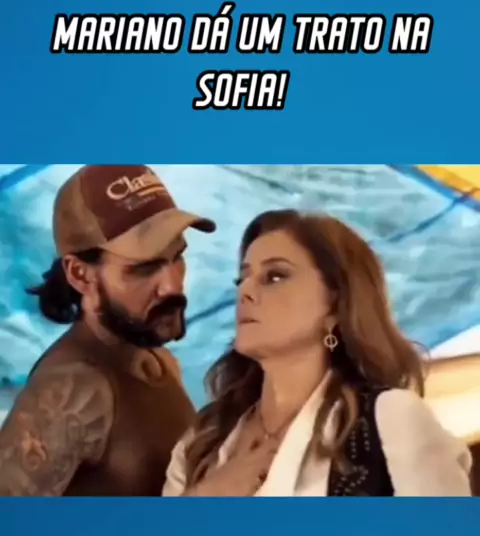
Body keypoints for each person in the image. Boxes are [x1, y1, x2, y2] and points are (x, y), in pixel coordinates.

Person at [163, 209, 472, 498]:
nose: (244, 291)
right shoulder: (201, 441)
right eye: (242, 278)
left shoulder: (389, 418)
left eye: (275, 276)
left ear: (335, 305)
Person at [0, 164, 216, 496]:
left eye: (177, 257)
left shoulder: (156, 359)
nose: (173, 285)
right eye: (145, 268)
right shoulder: (74, 388)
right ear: (80, 274)